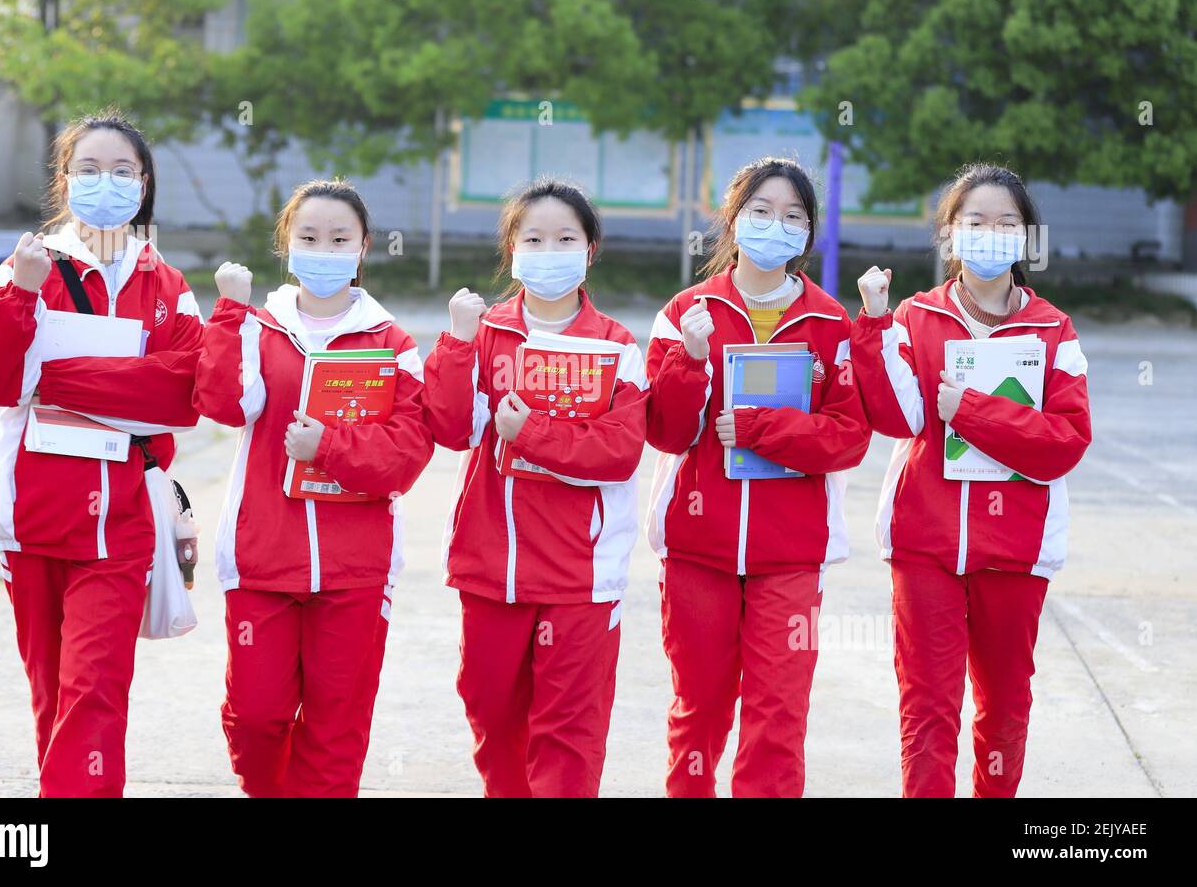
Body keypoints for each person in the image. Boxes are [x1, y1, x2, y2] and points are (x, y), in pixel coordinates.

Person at [0, 109, 204, 797]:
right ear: (65, 180)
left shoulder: (168, 285)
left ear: (144, 183)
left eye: (122, 170)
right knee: (53, 696)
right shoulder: (28, 266)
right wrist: (23, 296)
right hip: (31, 517)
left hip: (121, 522)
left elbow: (183, 390)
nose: (106, 182)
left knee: (94, 686)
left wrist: (53, 379)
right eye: (88, 168)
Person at [849, 162, 1092, 797]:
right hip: (925, 542)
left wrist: (973, 411)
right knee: (928, 707)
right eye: (974, 221)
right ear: (950, 234)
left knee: (1006, 706)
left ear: (1026, 238)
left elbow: (1064, 443)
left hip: (1016, 551)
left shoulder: (1053, 331)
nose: (990, 233)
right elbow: (894, 416)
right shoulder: (915, 317)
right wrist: (874, 322)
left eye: (1006, 223)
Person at [194, 178, 433, 797]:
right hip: (260, 560)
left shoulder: (393, 344)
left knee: (336, 726)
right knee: (255, 716)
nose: (323, 250)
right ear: (286, 243)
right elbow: (220, 403)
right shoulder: (257, 328)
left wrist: (327, 446)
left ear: (363, 248)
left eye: (339, 239)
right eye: (309, 237)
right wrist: (228, 314)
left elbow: (405, 457)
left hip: (355, 569)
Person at [644, 157, 870, 797]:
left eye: (793, 216)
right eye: (761, 212)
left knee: (778, 714)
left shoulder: (830, 323)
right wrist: (689, 360)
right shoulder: (687, 312)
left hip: (792, 554)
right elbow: (664, 431)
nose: (776, 225)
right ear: (734, 219)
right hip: (699, 547)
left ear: (809, 232)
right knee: (700, 708)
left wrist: (762, 428)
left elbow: (849, 437)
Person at [423, 178, 648, 797]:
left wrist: (533, 433)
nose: (549, 251)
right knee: (491, 714)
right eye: (534, 238)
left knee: (570, 731)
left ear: (590, 249)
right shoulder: (488, 334)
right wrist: (455, 343)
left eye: (565, 238)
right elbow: (447, 428)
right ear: (512, 250)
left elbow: (620, 452)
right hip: (494, 567)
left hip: (582, 575)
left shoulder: (617, 347)